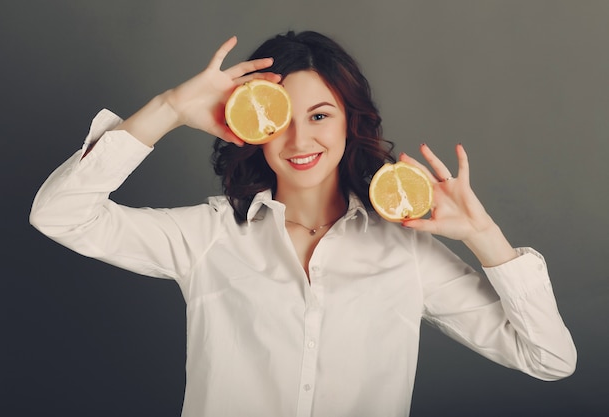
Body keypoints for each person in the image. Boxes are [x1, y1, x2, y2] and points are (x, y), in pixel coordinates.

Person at [30, 30, 576, 417]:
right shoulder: (209, 236)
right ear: (250, 126)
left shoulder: (405, 251)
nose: (299, 141)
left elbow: (549, 359)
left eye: (320, 115)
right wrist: (169, 107)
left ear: (350, 121)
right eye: (280, 119)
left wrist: (484, 236)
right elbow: (60, 214)